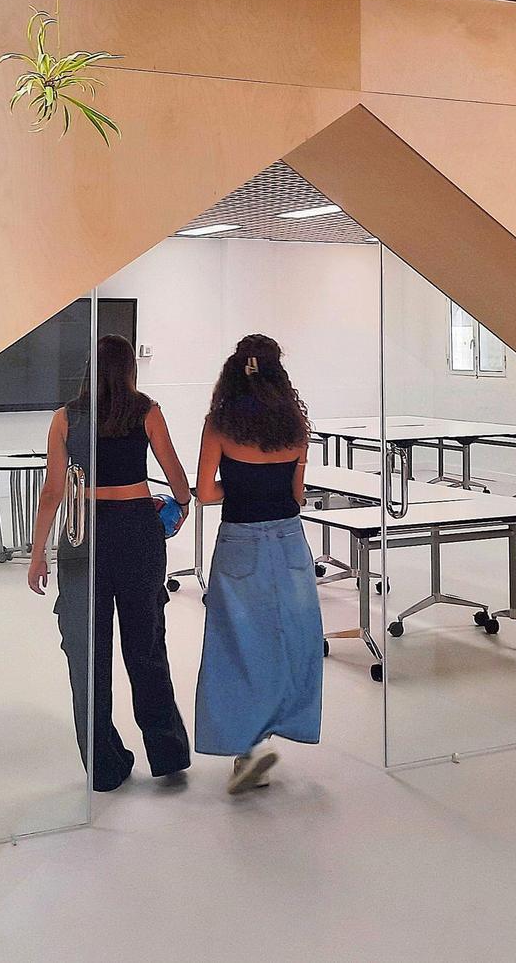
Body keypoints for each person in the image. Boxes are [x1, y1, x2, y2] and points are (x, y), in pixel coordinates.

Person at [28, 334, 192, 792]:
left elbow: (51, 493)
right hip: (138, 531)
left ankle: (103, 766)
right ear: (128, 369)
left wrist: (39, 553)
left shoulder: (65, 419)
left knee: (87, 652)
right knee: (146, 644)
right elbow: (177, 476)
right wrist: (179, 505)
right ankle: (168, 753)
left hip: (84, 536)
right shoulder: (146, 411)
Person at [194, 334, 323, 794]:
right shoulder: (295, 428)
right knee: (293, 639)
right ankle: (277, 725)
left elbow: (206, 493)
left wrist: (239, 490)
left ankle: (244, 748)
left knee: (236, 644)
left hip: (239, 544)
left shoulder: (219, 425)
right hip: (289, 542)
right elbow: (296, 496)